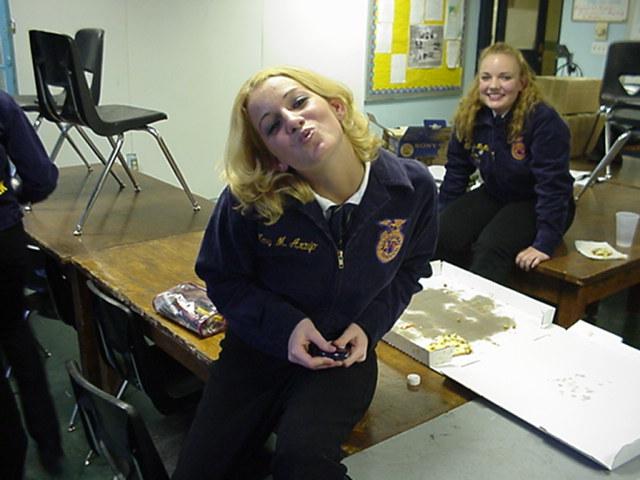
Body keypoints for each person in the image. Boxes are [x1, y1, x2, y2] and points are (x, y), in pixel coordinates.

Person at [172, 66, 438, 480]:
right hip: (256, 351)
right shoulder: (249, 202)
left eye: (298, 103)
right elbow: (222, 278)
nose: (292, 121)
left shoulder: (411, 188)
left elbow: (411, 267)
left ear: (336, 107)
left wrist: (368, 327)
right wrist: (287, 328)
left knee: (303, 463)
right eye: (272, 125)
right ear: (273, 154)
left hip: (341, 355)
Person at [435, 42, 575, 285]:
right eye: (486, 77)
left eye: (505, 77)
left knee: (491, 246)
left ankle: (475, 306)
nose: (494, 85)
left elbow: (553, 187)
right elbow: (457, 171)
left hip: (536, 200)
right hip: (496, 193)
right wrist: (441, 214)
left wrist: (545, 242)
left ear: (522, 82)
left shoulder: (543, 120)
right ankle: (438, 296)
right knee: (442, 233)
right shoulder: (471, 115)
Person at [0, 90, 62, 477]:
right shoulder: (2, 104)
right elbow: (41, 177)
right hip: (4, 240)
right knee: (17, 334)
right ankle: (50, 446)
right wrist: (11, 195)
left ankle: (10, 459)